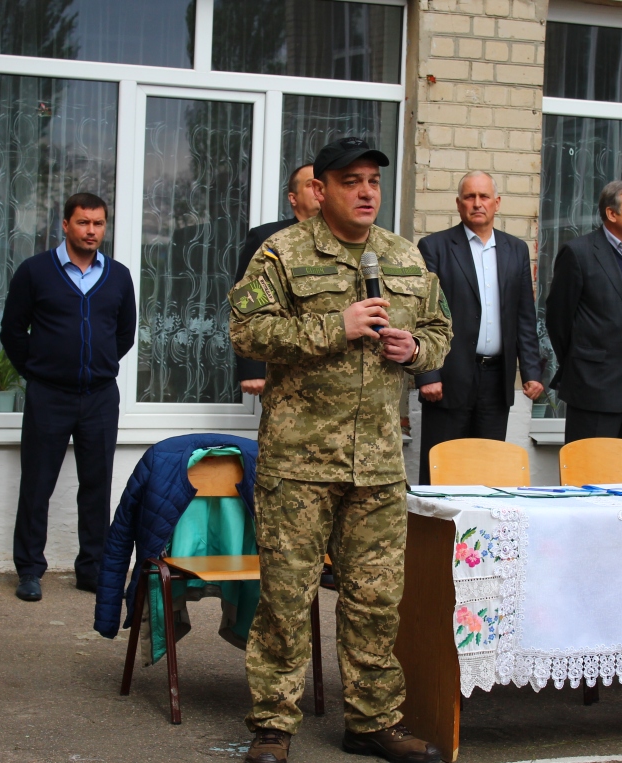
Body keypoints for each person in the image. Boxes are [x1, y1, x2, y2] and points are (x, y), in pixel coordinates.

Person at [229, 137, 452, 763]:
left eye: (373, 182)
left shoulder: (403, 255)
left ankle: (373, 722)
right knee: (286, 600)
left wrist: (417, 350)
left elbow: (440, 329)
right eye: (350, 181)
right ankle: (272, 725)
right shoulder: (282, 252)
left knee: (375, 601)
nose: (365, 192)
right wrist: (337, 326)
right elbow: (246, 330)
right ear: (320, 189)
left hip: (377, 463)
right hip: (299, 464)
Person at [0, 193, 137, 602]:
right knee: (37, 484)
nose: (91, 231)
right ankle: (29, 569)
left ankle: (91, 570)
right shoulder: (35, 271)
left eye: (98, 223)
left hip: (100, 397)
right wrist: (39, 370)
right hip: (49, 396)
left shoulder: (118, 276)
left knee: (96, 486)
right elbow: (12, 331)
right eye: (83, 222)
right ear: (65, 224)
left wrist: (97, 365)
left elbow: (124, 334)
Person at [414, 170, 543, 485]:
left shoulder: (516, 250)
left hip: (496, 381)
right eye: (469, 197)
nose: (477, 203)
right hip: (448, 379)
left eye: (484, 196)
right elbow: (421, 314)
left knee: (488, 472)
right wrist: (427, 374)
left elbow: (524, 316)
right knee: (442, 472)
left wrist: (531, 371)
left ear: (497, 203)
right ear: (459, 204)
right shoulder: (434, 247)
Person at [545, 180, 622, 445]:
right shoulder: (579, 253)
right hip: (593, 388)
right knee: (591, 468)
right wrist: (583, 362)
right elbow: (558, 319)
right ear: (611, 213)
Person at [234, 163, 321, 397]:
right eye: (311, 185)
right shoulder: (269, 238)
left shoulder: (346, 239)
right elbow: (247, 303)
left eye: (323, 185)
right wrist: (252, 368)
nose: (319, 190)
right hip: (285, 368)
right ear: (293, 198)